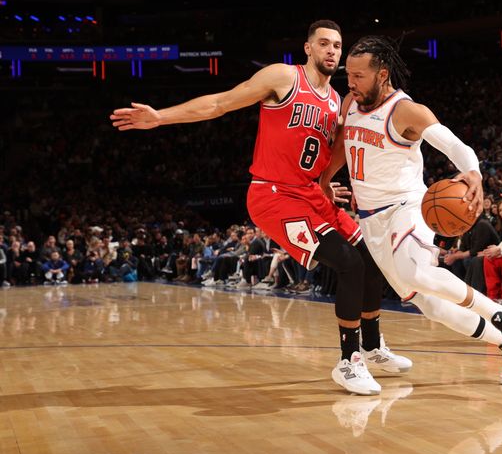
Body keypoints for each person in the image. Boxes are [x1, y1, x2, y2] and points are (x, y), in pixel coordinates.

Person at [111, 20, 410, 396]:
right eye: (323, 44)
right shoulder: (283, 77)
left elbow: (327, 154)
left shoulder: (336, 100)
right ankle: (349, 363)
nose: (332, 51)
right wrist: (161, 117)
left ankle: (372, 345)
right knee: (348, 263)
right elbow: (220, 103)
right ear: (307, 48)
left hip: (308, 193)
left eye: (336, 45)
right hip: (274, 195)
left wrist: (322, 186)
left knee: (370, 256)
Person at [320, 35, 502, 386]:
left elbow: (455, 144)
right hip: (372, 219)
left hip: (408, 206)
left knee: (419, 273)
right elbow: (340, 149)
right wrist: (323, 181)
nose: (351, 82)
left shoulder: (406, 110)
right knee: (432, 306)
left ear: (382, 74)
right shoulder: (351, 101)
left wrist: (474, 172)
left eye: (359, 76)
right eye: (349, 75)